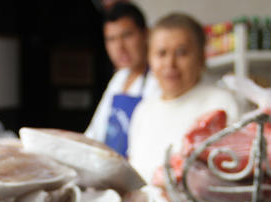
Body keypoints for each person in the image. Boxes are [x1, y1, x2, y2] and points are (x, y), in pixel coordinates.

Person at [127, 12, 239, 186]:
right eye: (161, 53)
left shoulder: (221, 104)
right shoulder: (144, 109)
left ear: (201, 57)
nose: (170, 64)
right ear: (149, 58)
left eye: (181, 53)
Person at [85, 2, 159, 156]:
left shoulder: (158, 79)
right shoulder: (119, 78)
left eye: (127, 35)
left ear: (145, 34)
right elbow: (94, 133)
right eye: (111, 39)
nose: (120, 47)